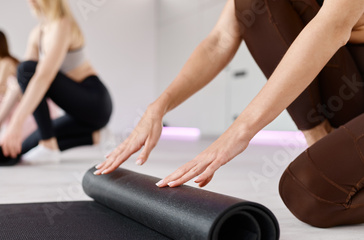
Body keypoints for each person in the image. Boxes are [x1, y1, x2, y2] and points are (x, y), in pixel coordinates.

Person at [95, 0, 364, 228]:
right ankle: (318, 136)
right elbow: (219, 41)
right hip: (351, 93)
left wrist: (239, 132)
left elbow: (332, 27)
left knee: (308, 191)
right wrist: (159, 106)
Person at [0, 0, 113, 164]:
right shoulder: (37, 33)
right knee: (25, 147)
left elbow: (42, 77)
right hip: (75, 112)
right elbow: (22, 83)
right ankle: (96, 136)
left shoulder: (63, 25)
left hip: (95, 102)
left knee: (26, 68)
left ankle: (48, 146)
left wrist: (16, 122)